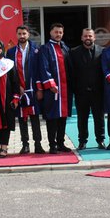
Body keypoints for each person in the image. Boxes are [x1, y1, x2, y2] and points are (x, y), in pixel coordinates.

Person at [6, 25, 44, 154]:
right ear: (16, 35)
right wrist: (17, 87)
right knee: (22, 119)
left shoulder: (36, 50)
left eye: (24, 33)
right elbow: (10, 72)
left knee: (35, 118)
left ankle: (38, 144)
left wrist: (39, 89)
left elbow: (40, 70)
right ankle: (25, 145)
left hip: (33, 89)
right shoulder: (11, 52)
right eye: (19, 34)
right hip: (20, 90)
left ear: (28, 34)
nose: (22, 36)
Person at [38, 23, 73, 154]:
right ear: (50, 33)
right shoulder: (45, 49)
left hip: (64, 89)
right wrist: (51, 84)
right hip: (52, 89)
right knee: (52, 117)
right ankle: (52, 145)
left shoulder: (65, 48)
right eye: (56, 32)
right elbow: (43, 67)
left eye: (60, 32)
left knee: (63, 116)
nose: (58, 34)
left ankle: (61, 143)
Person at [69, 28, 104, 150]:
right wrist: (75, 88)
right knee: (82, 118)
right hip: (81, 92)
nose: (88, 38)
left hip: (98, 91)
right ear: (81, 37)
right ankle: (82, 141)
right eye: (85, 36)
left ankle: (100, 140)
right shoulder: (73, 52)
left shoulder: (102, 51)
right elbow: (71, 72)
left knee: (99, 117)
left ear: (94, 37)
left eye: (90, 36)